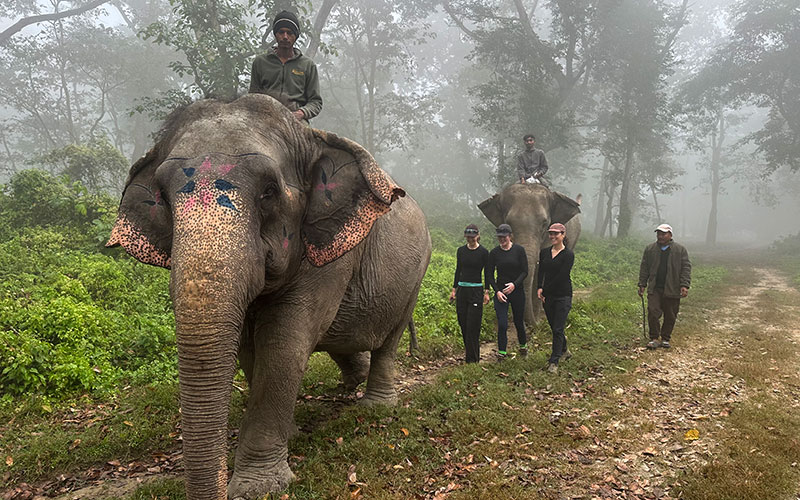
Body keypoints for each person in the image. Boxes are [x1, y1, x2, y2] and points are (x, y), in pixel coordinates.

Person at [249, 10, 323, 122]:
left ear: (296, 36)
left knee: (312, 139)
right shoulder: (260, 62)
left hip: (296, 121)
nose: (285, 37)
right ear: (275, 34)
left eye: (289, 33)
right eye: (281, 32)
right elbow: (252, 97)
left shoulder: (308, 65)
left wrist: (302, 113)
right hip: (265, 120)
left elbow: (316, 102)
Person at [638, 223, 692, 349]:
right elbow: (644, 267)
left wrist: (684, 285)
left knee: (670, 313)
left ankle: (666, 337)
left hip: (672, 287)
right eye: (658, 234)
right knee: (653, 311)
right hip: (655, 287)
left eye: (663, 234)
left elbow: (686, 268)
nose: (660, 236)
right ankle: (654, 338)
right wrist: (642, 283)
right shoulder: (650, 249)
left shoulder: (680, 250)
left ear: (670, 235)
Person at [450, 224, 491, 363]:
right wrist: (454, 289)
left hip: (476, 290)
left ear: (477, 236)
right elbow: (458, 270)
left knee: (473, 325)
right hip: (462, 290)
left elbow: (487, 272)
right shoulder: (461, 251)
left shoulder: (484, 252)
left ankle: (472, 360)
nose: (470, 239)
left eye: (472, 237)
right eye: (468, 237)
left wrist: (487, 291)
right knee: (463, 324)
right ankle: (470, 355)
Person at [537, 223, 575, 374]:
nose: (552, 236)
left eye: (556, 234)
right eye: (550, 234)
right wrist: (539, 287)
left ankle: (554, 361)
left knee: (558, 328)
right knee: (555, 327)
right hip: (548, 295)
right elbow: (541, 271)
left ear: (563, 235)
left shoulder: (568, 255)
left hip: (563, 295)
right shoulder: (545, 252)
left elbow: (562, 276)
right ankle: (565, 350)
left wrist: (545, 290)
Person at [487, 224, 528, 361]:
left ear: (510, 236)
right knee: (503, 323)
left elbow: (525, 271)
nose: (502, 239)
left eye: (504, 237)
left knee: (518, 321)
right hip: (501, 294)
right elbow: (489, 275)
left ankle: (523, 346)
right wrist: (497, 291)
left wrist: (514, 285)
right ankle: (502, 353)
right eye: (499, 237)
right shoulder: (494, 253)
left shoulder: (519, 250)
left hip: (517, 291)